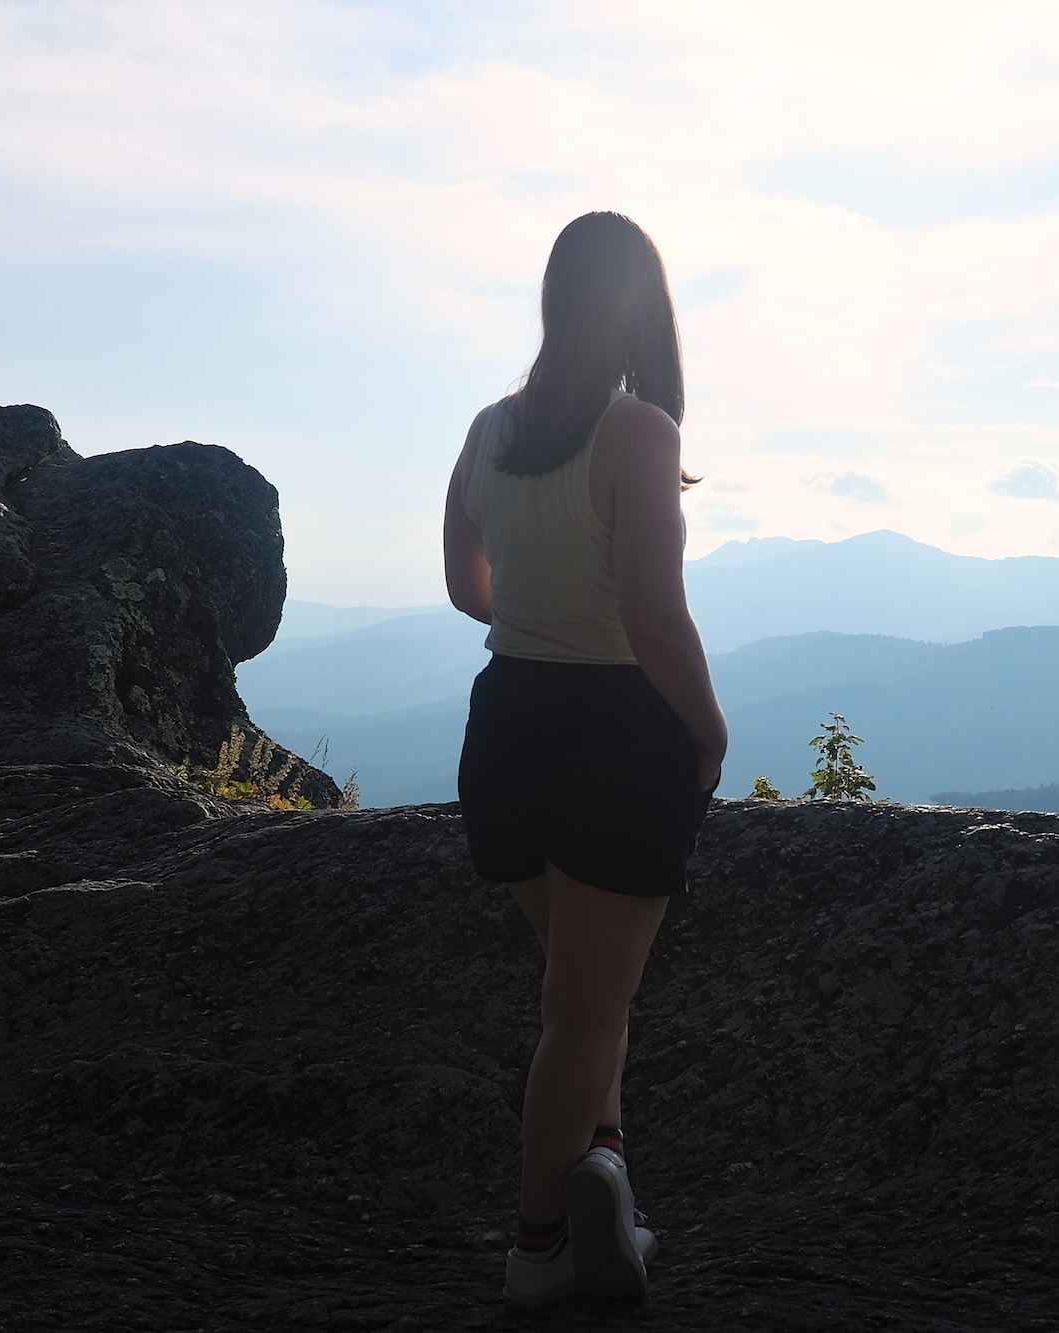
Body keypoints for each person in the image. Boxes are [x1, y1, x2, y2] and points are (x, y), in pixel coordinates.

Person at [442, 211, 727, 1311]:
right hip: (618, 730)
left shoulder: (487, 429)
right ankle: (537, 1248)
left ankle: (605, 1173)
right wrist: (706, 730)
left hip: (506, 721)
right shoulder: (640, 432)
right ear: (644, 310)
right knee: (586, 1013)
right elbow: (654, 615)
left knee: (580, 994)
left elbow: (468, 587)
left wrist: (536, 604)